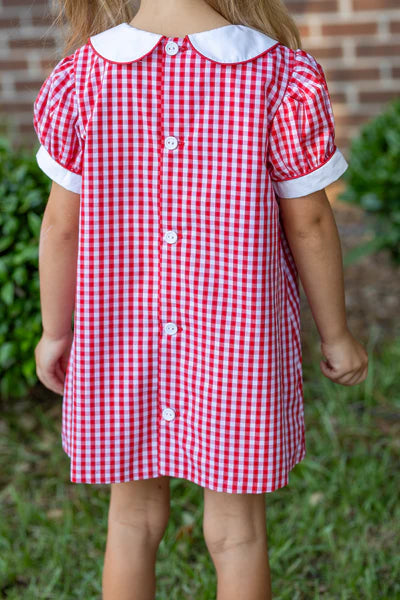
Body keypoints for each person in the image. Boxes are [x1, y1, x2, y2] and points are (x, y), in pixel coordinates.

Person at [32, 0, 369, 598]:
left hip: (120, 345)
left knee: (130, 521)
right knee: (237, 532)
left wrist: (55, 332)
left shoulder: (82, 78)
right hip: (235, 348)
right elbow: (312, 222)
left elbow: (62, 226)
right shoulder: (277, 76)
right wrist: (335, 333)